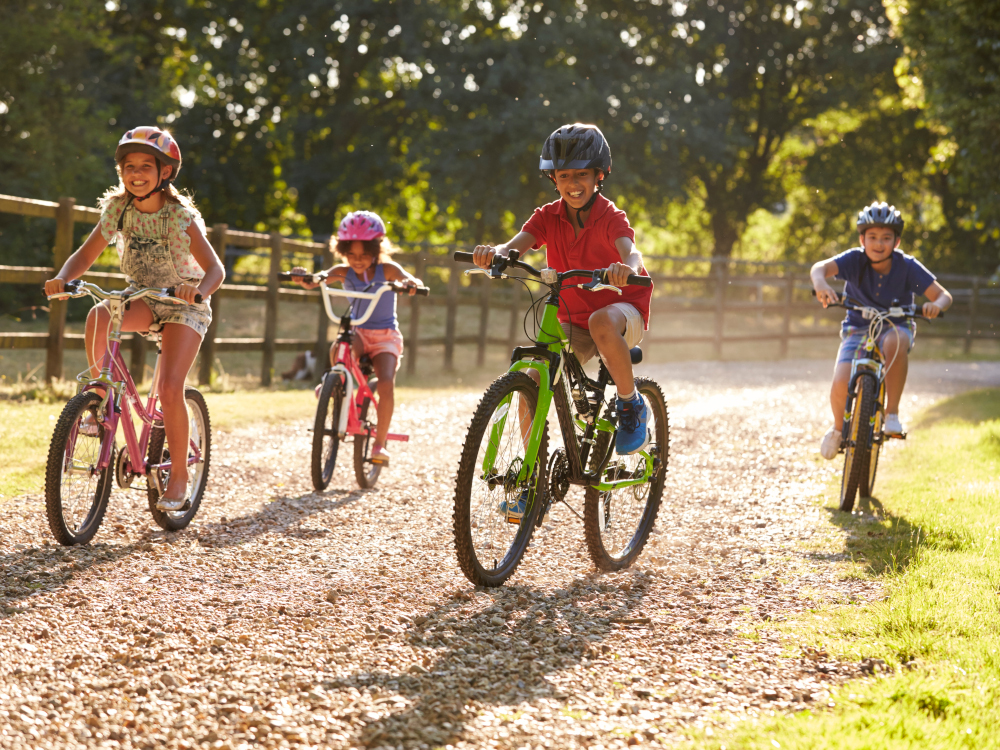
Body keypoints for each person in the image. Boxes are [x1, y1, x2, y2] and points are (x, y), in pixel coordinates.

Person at [472, 122, 653, 518]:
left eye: (582, 175)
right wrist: (496, 254)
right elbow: (515, 244)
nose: (573, 183)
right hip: (571, 311)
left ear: (599, 176)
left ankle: (630, 403)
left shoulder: (610, 217)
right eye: (565, 175)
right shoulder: (547, 216)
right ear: (553, 178)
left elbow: (632, 252)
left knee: (601, 324)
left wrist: (625, 267)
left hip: (621, 306)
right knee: (532, 380)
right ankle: (530, 479)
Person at [44, 127, 225, 510]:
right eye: (129, 166)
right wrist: (64, 278)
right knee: (98, 315)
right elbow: (86, 252)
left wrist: (199, 291)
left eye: (146, 165)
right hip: (142, 295)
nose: (136, 172)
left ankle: (178, 477)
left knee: (172, 388)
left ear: (165, 173)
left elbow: (215, 269)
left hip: (183, 303)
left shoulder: (180, 217)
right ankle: (99, 394)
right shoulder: (117, 209)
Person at [811, 201, 952, 459]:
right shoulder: (853, 259)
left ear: (896, 242)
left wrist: (935, 305)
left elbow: (944, 295)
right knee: (842, 380)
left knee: (894, 341)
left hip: (896, 324)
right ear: (862, 239)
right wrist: (820, 283)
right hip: (858, 326)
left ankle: (892, 414)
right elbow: (819, 268)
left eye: (886, 238)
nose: (879, 244)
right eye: (872, 237)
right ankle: (838, 429)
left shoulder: (907, 265)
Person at [290, 210, 422, 467]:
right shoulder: (343, 271)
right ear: (343, 251)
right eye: (351, 255)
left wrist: (410, 283)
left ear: (376, 249)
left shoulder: (388, 270)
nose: (358, 261)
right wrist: (303, 277)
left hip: (385, 337)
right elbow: (317, 279)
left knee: (385, 383)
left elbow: (408, 277)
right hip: (359, 332)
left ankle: (379, 444)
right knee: (341, 344)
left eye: (364, 255)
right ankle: (335, 383)